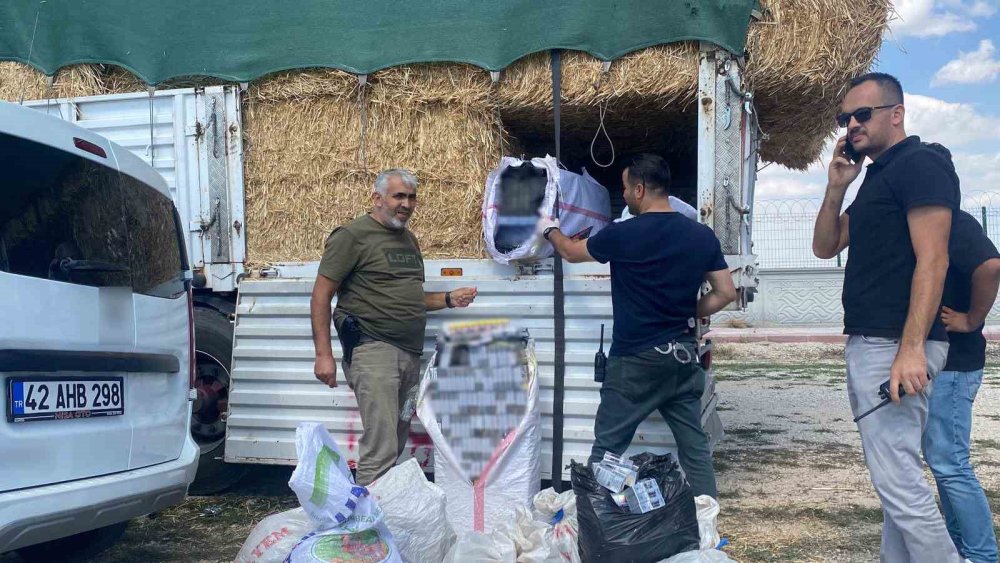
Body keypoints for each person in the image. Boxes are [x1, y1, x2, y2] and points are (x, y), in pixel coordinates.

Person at [812, 73, 962, 562]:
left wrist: (912, 348)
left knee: (899, 485)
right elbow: (825, 245)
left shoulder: (921, 165)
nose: (851, 125)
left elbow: (933, 259)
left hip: (894, 345)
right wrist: (837, 186)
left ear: (896, 113)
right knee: (895, 482)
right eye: (844, 118)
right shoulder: (876, 176)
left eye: (862, 114)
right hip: (875, 342)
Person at [537, 153, 736, 498]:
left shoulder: (622, 235)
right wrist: (688, 311)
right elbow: (725, 292)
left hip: (634, 362)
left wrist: (550, 228)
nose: (625, 195)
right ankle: (708, 525)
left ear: (640, 189)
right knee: (694, 448)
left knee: (609, 446)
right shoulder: (701, 236)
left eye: (626, 189)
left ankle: (595, 519)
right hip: (682, 359)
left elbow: (569, 252)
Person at [310, 169, 478, 485]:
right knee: (381, 445)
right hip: (373, 351)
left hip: (408, 354)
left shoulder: (408, 240)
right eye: (398, 195)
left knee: (397, 439)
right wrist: (324, 354)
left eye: (411, 197)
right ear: (377, 199)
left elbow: (408, 297)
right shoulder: (352, 236)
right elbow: (321, 296)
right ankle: (363, 526)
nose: (406, 203)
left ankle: (383, 513)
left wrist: (448, 299)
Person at [926, 206, 1000, 563]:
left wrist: (972, 319)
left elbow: (990, 266)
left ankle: (982, 555)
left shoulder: (955, 222)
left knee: (950, 461)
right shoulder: (929, 223)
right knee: (942, 460)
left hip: (955, 363)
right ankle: (958, 548)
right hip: (940, 363)